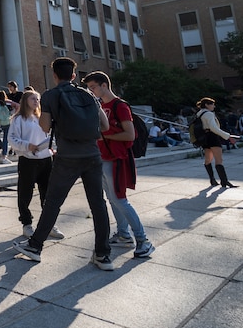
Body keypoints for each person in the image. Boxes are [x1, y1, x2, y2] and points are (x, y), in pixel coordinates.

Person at [13, 57, 114, 271]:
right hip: (92, 155)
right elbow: (104, 126)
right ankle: (103, 255)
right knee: (98, 204)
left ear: (55, 75)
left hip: (68, 156)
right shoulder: (88, 94)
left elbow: (45, 127)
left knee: (53, 202)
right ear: (74, 75)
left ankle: (35, 246)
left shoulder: (51, 95)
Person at [83, 71, 156, 259]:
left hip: (116, 159)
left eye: (93, 87)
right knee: (112, 198)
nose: (91, 91)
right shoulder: (101, 106)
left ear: (104, 85)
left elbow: (130, 135)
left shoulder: (120, 106)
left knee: (119, 199)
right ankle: (124, 234)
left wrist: (104, 135)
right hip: (103, 157)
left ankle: (143, 240)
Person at [8, 90, 64, 240]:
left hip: (46, 158)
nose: (36, 101)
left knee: (48, 193)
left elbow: (51, 135)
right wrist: (27, 146)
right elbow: (12, 138)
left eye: (38, 99)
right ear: (25, 100)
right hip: (28, 160)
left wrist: (53, 148)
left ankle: (49, 224)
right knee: (25, 193)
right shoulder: (18, 119)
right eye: (33, 98)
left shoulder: (42, 118)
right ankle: (26, 224)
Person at [195, 97, 241, 188]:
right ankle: (224, 181)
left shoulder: (199, 114)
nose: (214, 106)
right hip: (212, 137)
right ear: (207, 105)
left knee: (208, 159)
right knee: (219, 160)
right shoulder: (209, 114)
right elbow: (214, 128)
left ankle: (212, 179)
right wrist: (228, 136)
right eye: (212, 104)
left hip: (204, 138)